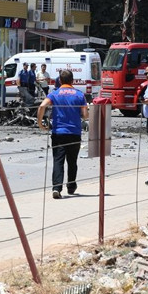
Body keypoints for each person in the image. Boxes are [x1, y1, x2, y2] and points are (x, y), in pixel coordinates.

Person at [37, 69, 88, 199]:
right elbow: (85, 115)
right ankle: (71, 186)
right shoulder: (79, 95)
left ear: (59, 80)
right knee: (72, 161)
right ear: (72, 80)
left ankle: (56, 188)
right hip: (74, 132)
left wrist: (40, 123)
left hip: (58, 132)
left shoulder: (54, 94)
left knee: (58, 160)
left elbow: (42, 106)